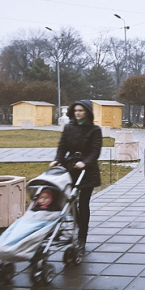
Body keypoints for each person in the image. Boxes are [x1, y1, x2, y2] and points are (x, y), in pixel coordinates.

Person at [49, 100, 102, 251]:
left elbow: (95, 151)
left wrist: (85, 162)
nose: (78, 113)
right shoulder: (69, 128)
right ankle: (69, 227)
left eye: (81, 111)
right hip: (70, 168)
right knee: (66, 202)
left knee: (83, 205)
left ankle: (82, 237)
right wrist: (57, 160)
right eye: (76, 110)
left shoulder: (94, 130)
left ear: (87, 112)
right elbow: (62, 146)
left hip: (87, 171)